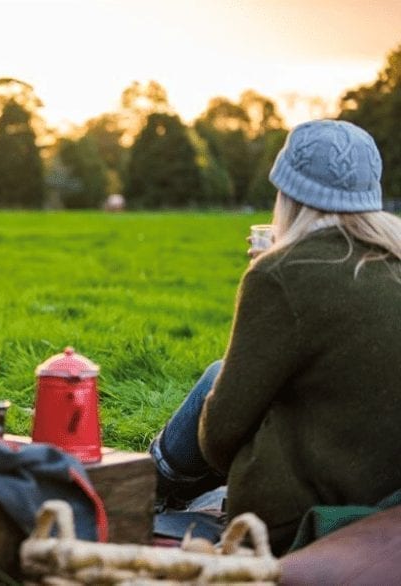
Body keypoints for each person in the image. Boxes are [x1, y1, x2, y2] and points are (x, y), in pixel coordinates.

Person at [148, 119, 401, 555]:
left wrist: (273, 269)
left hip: (292, 519)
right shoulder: (391, 261)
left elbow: (217, 436)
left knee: (217, 382)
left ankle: (147, 484)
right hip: (379, 503)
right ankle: (163, 486)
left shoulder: (281, 274)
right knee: (220, 376)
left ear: (287, 192)